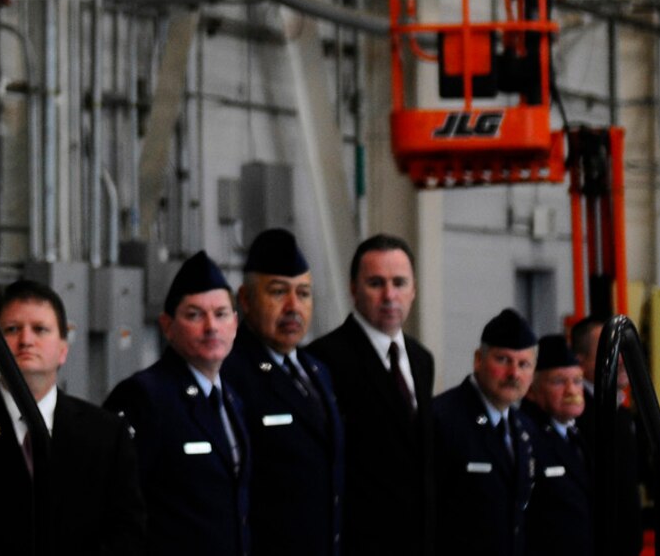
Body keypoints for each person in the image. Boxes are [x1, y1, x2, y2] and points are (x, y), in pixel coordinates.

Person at [0, 280, 145, 555]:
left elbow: (127, 532)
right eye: (12, 330)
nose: (26, 340)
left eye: (40, 329)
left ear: (63, 347)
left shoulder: (107, 433)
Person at [104, 252, 250, 556]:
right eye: (195, 315)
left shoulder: (233, 399)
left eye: (221, 314)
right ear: (167, 325)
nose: (211, 326)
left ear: (235, 324)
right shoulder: (145, 397)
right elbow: (116, 508)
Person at [306, 234, 437, 556]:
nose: (390, 295)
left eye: (399, 283)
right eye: (376, 283)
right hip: (360, 540)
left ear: (414, 290)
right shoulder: (323, 359)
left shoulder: (422, 359)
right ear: (354, 289)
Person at [221, 228, 344, 556]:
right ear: (245, 299)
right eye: (278, 292)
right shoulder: (229, 374)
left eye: (303, 294)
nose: (293, 306)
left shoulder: (318, 371)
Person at [431, 308, 539, 556]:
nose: (514, 373)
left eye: (524, 364)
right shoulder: (443, 419)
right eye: (503, 360)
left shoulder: (525, 429)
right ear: (479, 359)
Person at [569, 314, 643, 554]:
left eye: (623, 349)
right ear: (580, 362)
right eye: (611, 351)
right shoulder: (575, 417)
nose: (622, 359)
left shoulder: (620, 411)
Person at [523, 333, 594, 556]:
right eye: (558, 381)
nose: (572, 391)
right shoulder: (524, 437)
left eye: (577, 381)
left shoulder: (577, 435)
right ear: (532, 390)